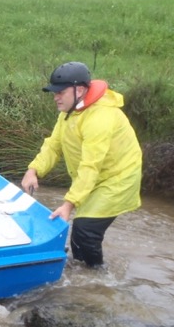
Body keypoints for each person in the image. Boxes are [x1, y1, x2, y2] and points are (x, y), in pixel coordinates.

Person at [21, 62, 142, 267]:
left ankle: (97, 280)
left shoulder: (100, 117)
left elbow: (90, 165)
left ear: (79, 90)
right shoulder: (69, 111)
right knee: (80, 233)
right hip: (94, 177)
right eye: (54, 92)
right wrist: (33, 170)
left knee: (85, 229)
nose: (55, 97)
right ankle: (81, 272)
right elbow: (54, 145)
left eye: (61, 92)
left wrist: (69, 204)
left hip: (118, 178)